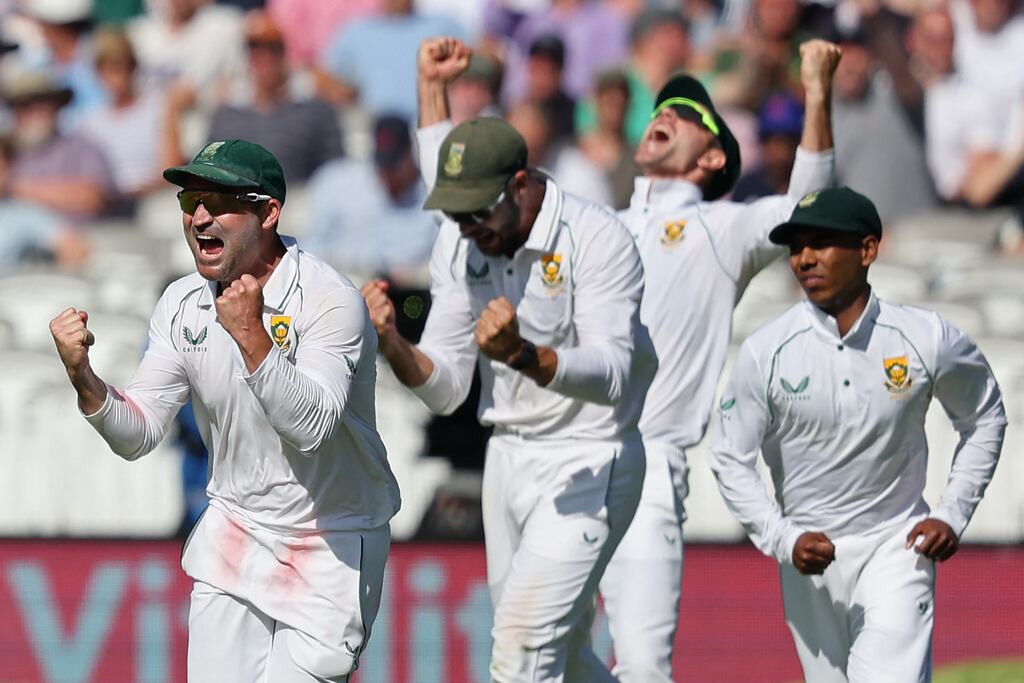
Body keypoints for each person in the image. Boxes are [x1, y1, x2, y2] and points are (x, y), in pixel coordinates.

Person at [413, 35, 841, 683]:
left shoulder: (723, 230)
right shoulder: (596, 222)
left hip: (647, 454)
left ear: (716, 155)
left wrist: (816, 90)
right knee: (544, 650)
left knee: (640, 662)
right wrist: (434, 94)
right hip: (563, 451)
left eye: (688, 114)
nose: (664, 115)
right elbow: (465, 199)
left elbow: (811, 209)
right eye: (660, 108)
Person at [49, 139, 400, 682]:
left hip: (334, 543)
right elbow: (138, 432)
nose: (199, 217)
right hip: (235, 530)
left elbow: (310, 428)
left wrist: (251, 335)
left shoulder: (331, 301)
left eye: (219, 201)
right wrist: (83, 378)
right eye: (190, 201)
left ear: (269, 212)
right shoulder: (181, 301)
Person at [365, 36, 653, 682]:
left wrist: (522, 353)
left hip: (590, 457)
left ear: (521, 185)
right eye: (457, 215)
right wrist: (393, 344)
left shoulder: (597, 238)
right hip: (509, 457)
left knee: (520, 653)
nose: (466, 227)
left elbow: (611, 373)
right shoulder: (465, 235)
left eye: (478, 212)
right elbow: (443, 387)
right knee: (559, 655)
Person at [710, 186, 1006, 682]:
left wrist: (952, 513)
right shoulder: (766, 351)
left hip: (897, 547)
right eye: (796, 247)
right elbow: (729, 457)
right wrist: (783, 538)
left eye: (822, 242)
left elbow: (985, 416)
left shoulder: (927, 337)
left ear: (867, 250)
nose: (805, 259)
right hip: (809, 560)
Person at [206, 10, 343, 184]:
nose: (264, 57)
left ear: (284, 53)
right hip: (238, 202)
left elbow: (335, 169)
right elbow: (209, 168)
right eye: (255, 47)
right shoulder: (226, 114)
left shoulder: (315, 111)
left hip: (298, 201)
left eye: (272, 47)